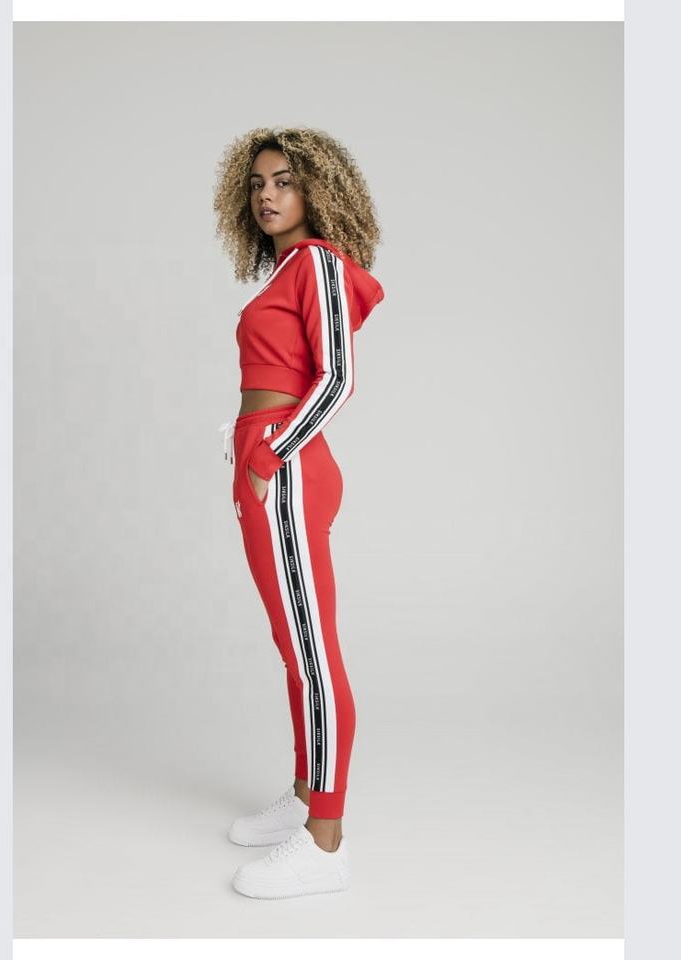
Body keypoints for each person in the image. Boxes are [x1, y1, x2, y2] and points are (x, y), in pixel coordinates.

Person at [213, 127, 385, 899]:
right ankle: (305, 793)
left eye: (284, 180)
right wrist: (245, 443)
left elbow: (337, 377)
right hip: (264, 458)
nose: (268, 194)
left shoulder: (317, 262)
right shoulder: (286, 268)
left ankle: (325, 843)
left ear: (318, 189)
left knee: (313, 651)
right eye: (257, 183)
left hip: (285, 467)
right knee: (293, 644)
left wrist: (268, 454)